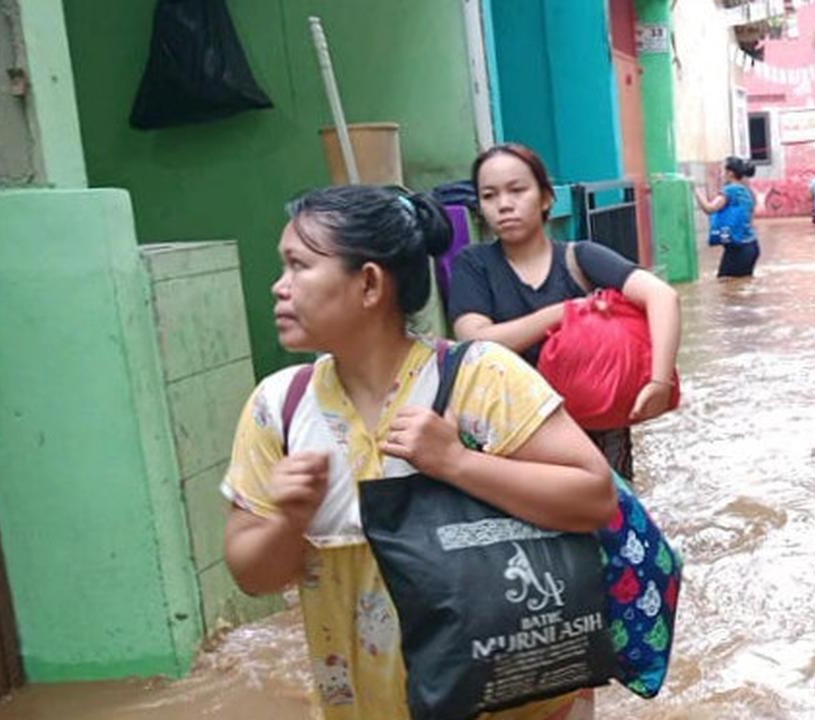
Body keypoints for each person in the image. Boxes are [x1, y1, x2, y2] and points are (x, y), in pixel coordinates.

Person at [222, 185, 615, 720]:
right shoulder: (281, 408)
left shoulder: (479, 378)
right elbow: (252, 576)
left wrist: (456, 462)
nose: (279, 287)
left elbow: (594, 497)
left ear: (368, 284)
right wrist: (288, 520)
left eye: (298, 266)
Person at [448, 143, 681, 479]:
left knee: (610, 522)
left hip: (597, 431)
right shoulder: (475, 265)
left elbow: (662, 297)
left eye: (517, 190)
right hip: (517, 435)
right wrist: (566, 311)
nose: (504, 205)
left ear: (545, 198)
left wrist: (659, 382)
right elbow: (475, 341)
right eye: (489, 196)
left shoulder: (581, 258)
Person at [694, 156, 761, 278]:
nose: (721, 174)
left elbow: (709, 208)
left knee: (726, 285)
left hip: (738, 249)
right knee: (741, 287)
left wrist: (695, 189)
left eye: (723, 170)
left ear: (730, 173)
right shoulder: (747, 192)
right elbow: (750, 221)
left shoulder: (730, 190)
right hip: (751, 246)